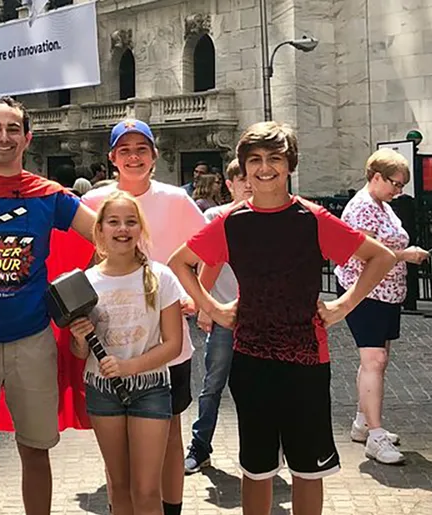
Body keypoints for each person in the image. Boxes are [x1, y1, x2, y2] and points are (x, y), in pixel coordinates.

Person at [168, 121, 396, 515]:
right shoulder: (231, 221)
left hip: (307, 361)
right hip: (251, 359)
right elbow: (180, 263)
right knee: (256, 470)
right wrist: (213, 308)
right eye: (254, 160)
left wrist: (344, 304)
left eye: (274, 158)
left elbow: (381, 257)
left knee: (309, 469)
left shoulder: (312, 218)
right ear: (243, 167)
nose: (264, 167)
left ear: (289, 165)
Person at [0, 96, 96, 515]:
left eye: (13, 129)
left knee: (36, 449)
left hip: (32, 339)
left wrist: (80, 293)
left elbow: (103, 238)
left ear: (27, 138)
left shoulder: (47, 195)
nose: (4, 137)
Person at [82, 119, 206, 515]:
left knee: (171, 434)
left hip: (169, 345)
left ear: (154, 156)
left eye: (141, 150)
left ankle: (171, 508)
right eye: (125, 150)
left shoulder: (176, 199)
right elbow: (81, 264)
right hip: (115, 345)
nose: (133, 157)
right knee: (121, 457)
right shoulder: (92, 205)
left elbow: (210, 251)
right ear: (112, 158)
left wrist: (197, 298)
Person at [68, 190, 184, 515]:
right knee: (119, 488)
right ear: (100, 229)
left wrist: (130, 367)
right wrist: (79, 339)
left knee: (146, 491)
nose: (123, 229)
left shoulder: (161, 278)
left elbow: (173, 344)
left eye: (130, 222)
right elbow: (81, 353)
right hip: (103, 390)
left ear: (140, 229)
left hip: (150, 388)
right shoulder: (87, 282)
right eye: (114, 222)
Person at [334, 148, 430, 465]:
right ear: (377, 177)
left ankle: (365, 422)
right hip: (366, 291)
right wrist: (406, 255)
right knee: (373, 358)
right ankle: (374, 434)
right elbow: (363, 252)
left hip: (386, 292)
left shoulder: (382, 205)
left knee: (378, 359)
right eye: (396, 184)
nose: (398, 191)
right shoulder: (362, 207)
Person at [184, 159, 251, 474]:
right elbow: (197, 263)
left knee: (257, 387)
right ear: (230, 184)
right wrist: (205, 307)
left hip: (260, 319)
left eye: (253, 179)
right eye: (242, 180)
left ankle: (259, 450)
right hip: (224, 316)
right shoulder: (214, 217)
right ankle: (199, 447)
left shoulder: (268, 219)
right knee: (213, 384)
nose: (249, 185)